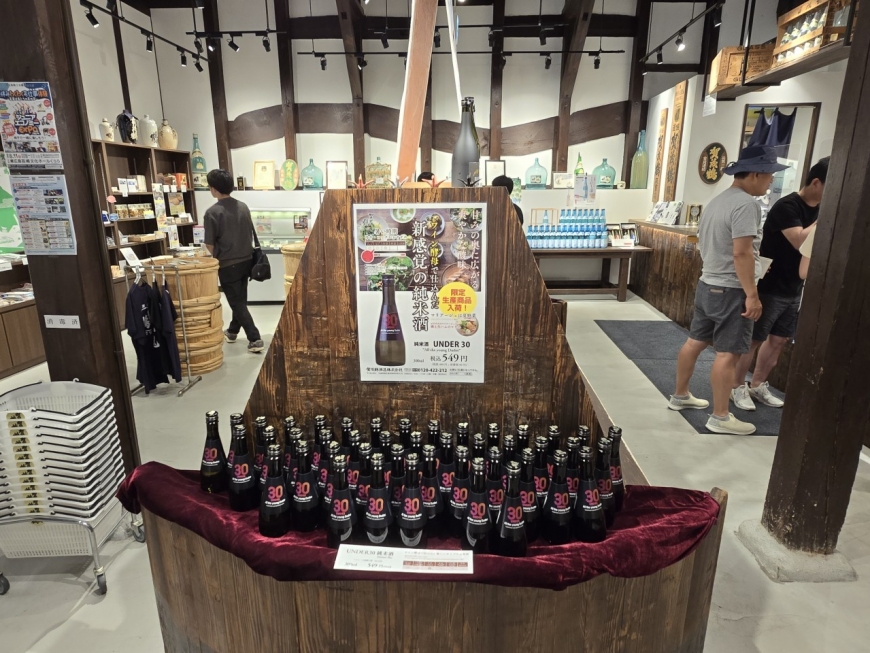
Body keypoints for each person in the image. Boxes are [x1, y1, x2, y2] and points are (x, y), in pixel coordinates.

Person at [669, 146, 787, 435]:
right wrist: (752, 295)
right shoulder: (746, 205)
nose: (771, 181)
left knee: (694, 342)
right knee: (728, 354)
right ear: (756, 173)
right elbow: (741, 253)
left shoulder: (717, 200)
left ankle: (680, 395)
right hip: (731, 289)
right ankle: (720, 417)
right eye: (769, 175)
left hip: (707, 283)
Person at [732, 157, 828, 411]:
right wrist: (826, 214)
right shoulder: (788, 206)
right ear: (816, 182)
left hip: (795, 286)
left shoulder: (819, 209)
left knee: (779, 340)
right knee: (753, 340)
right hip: (770, 286)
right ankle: (736, 386)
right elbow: (799, 240)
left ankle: (757, 384)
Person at [203, 169, 264, 354]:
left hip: (228, 264)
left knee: (237, 303)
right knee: (240, 299)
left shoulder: (212, 213)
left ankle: (255, 338)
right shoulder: (243, 206)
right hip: (247, 261)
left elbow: (209, 244)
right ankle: (232, 331)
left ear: (214, 189)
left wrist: (218, 257)